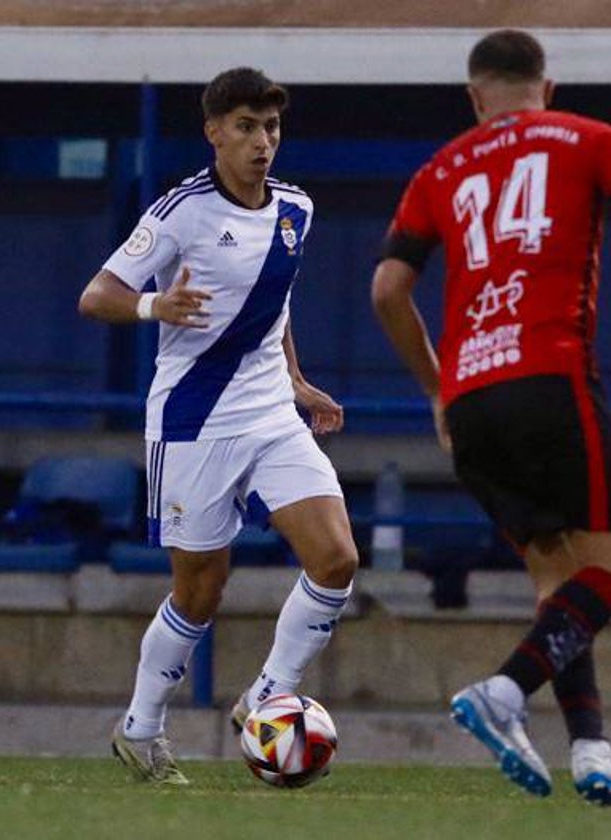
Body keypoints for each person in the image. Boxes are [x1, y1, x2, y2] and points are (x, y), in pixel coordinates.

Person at [371, 30, 611, 807]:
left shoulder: (440, 167)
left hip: (473, 397)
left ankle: (591, 749)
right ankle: (505, 692)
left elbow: (387, 288)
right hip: (550, 376)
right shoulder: (586, 137)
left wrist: (437, 389)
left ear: (476, 99)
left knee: (559, 580)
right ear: (547, 88)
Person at [79, 67, 359, 785]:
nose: (261, 143)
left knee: (336, 560)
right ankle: (141, 729)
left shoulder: (298, 209)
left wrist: (295, 382)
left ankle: (266, 698)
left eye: (270, 128)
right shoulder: (181, 211)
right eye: (245, 128)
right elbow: (98, 295)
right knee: (201, 589)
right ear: (214, 133)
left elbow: (276, 302)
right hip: (193, 422)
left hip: (270, 415)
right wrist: (154, 309)